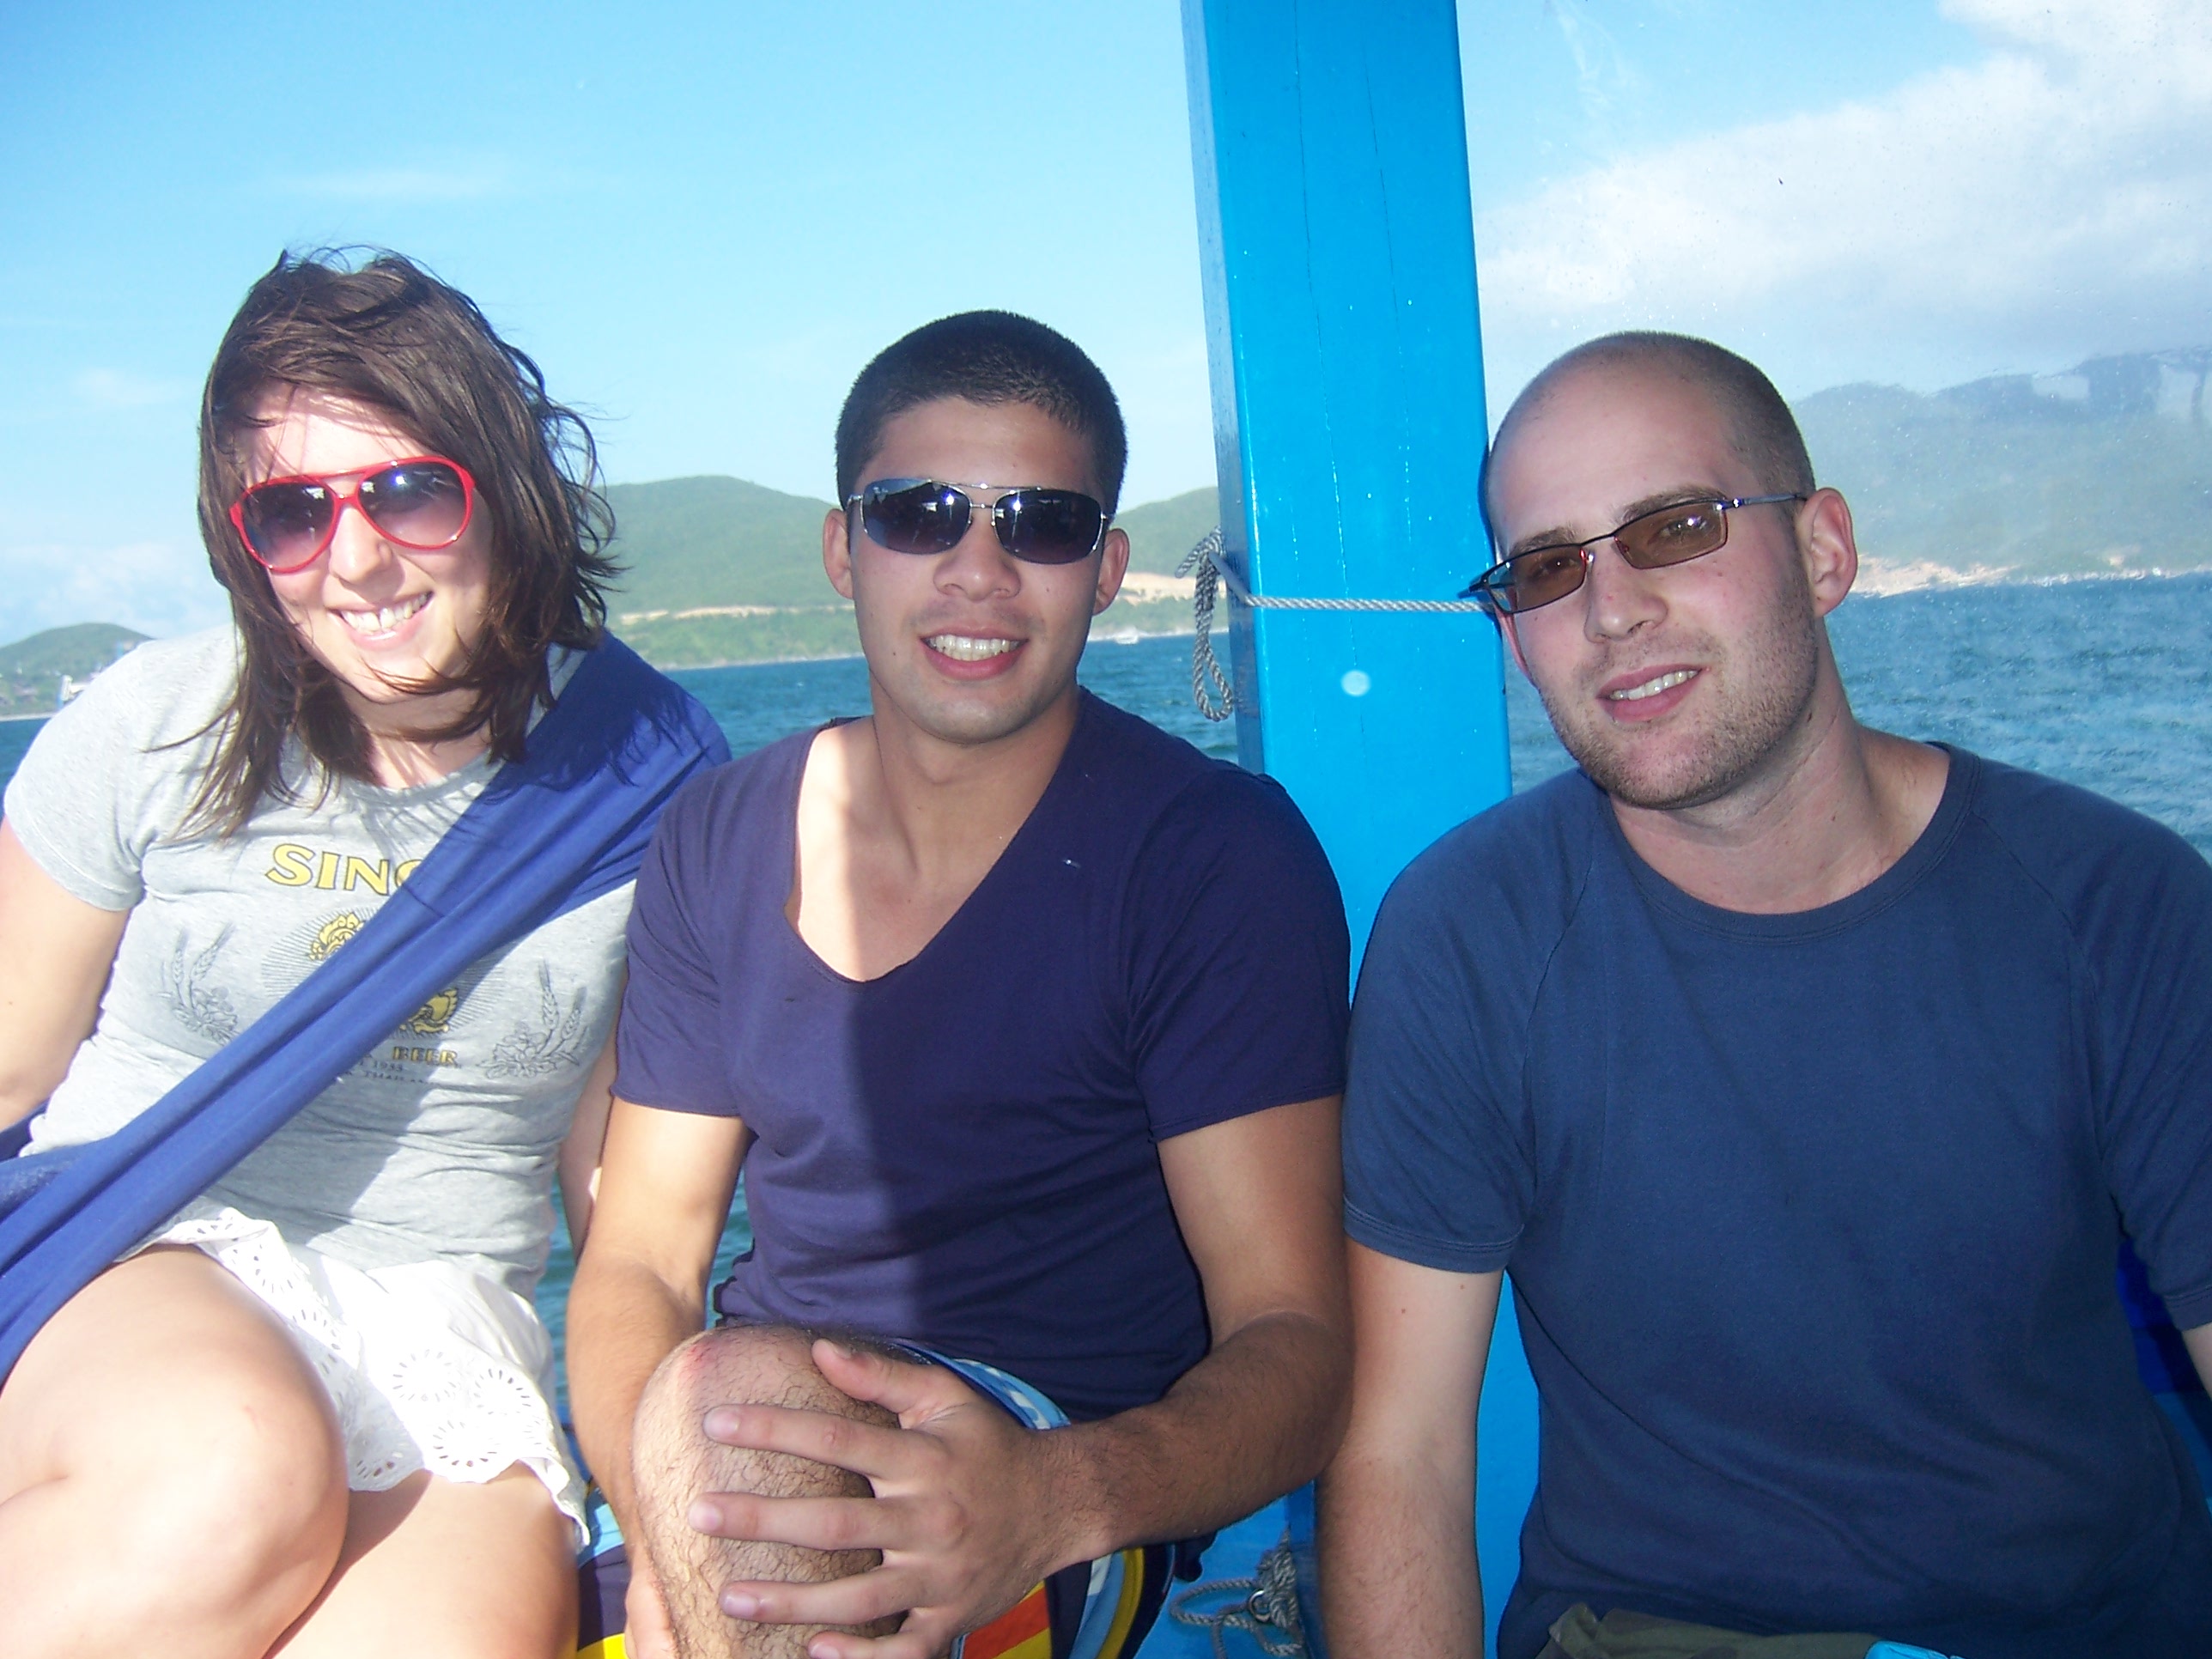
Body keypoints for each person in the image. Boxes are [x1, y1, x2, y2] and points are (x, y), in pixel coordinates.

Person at [1321, 331, 2212, 1659]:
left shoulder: (2116, 905)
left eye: (1676, 527)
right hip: (1673, 1628)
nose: (1612, 609)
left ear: (1824, 551)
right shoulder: (1468, 938)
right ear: (1515, 634)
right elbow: (1402, 1457)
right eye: (1550, 567)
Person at [568, 310, 1353, 1659]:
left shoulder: (1209, 858)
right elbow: (640, 1253)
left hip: (1050, 1493)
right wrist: (662, 1526)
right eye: (920, 514)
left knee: (745, 1411)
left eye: (1038, 524)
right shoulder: (715, 837)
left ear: (1104, 571)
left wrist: (1054, 1499)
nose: (978, 572)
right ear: (843, 550)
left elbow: (1296, 1342)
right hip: (731, 1458)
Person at [0, 251, 697, 1656]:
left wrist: (677, 1506)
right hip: (134, 1245)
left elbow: (629, 1204)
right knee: (225, 1476)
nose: (359, 557)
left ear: (504, 485)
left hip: (443, 1317)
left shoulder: (647, 775)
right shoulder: (150, 723)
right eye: (292, 512)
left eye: (409, 489)